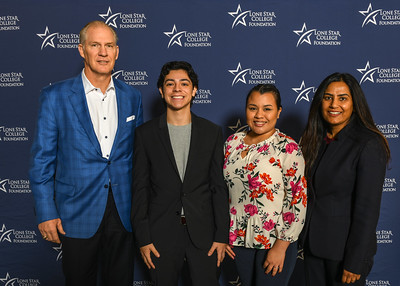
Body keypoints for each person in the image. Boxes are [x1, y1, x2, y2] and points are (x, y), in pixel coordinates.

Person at [29, 20, 143, 286]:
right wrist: (46, 211)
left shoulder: (132, 96)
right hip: (75, 211)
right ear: (82, 50)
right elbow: (42, 159)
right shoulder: (55, 96)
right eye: (95, 45)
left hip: (123, 211)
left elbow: (137, 157)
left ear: (117, 51)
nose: (103, 52)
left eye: (109, 46)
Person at [131, 61, 229, 286]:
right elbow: (140, 189)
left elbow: (218, 187)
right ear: (161, 91)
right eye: (170, 84)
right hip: (160, 235)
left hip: (204, 234)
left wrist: (221, 236)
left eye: (184, 84)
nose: (177, 89)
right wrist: (143, 238)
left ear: (194, 90)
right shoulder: (145, 135)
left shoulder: (212, 132)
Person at [299, 72, 390, 286]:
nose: (334, 104)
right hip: (313, 248)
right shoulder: (316, 140)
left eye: (342, 98)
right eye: (328, 97)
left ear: (354, 103)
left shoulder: (368, 143)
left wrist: (355, 261)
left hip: (345, 255)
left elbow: (367, 210)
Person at [223, 84, 307, 286]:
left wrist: (281, 247)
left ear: (278, 112)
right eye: (253, 108)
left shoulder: (288, 148)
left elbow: (297, 200)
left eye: (267, 109)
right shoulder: (232, 142)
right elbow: (222, 191)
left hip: (273, 242)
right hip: (238, 242)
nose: (259, 115)